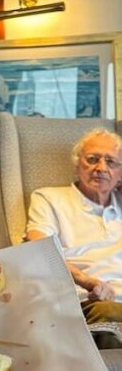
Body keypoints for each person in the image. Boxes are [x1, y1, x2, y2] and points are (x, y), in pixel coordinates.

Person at [27, 128, 122, 323]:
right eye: (93, 159)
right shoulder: (49, 198)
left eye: (111, 162)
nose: (102, 168)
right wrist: (86, 281)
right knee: (112, 315)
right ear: (77, 164)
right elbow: (39, 248)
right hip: (90, 299)